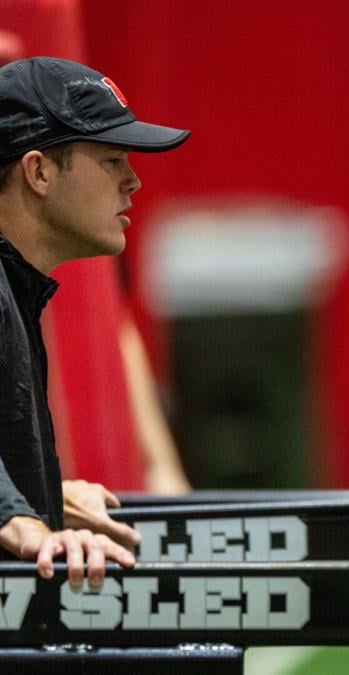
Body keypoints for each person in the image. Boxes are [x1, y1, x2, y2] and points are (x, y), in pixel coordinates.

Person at [0, 56, 189, 586]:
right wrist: (22, 525)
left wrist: (44, 499)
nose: (133, 181)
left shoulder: (16, 285)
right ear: (38, 172)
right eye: (111, 159)